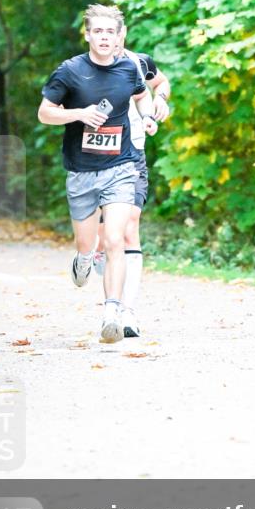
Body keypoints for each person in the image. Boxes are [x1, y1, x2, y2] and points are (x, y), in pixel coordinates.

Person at [38, 3, 157, 344]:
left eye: (110, 32)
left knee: (116, 238)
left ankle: (112, 313)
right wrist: (78, 114)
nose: (104, 37)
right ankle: (84, 257)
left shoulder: (129, 69)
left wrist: (148, 116)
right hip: (81, 170)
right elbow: (45, 113)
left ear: (119, 36)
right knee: (88, 243)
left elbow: (141, 97)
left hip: (121, 166)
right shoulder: (69, 71)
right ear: (88, 35)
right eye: (98, 31)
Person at [93, 18, 171, 339]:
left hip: (133, 154)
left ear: (123, 33)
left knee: (131, 225)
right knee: (108, 238)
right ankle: (95, 253)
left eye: (116, 31)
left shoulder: (141, 63)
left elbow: (161, 83)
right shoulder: (90, 68)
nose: (111, 38)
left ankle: (126, 312)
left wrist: (161, 100)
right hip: (99, 157)